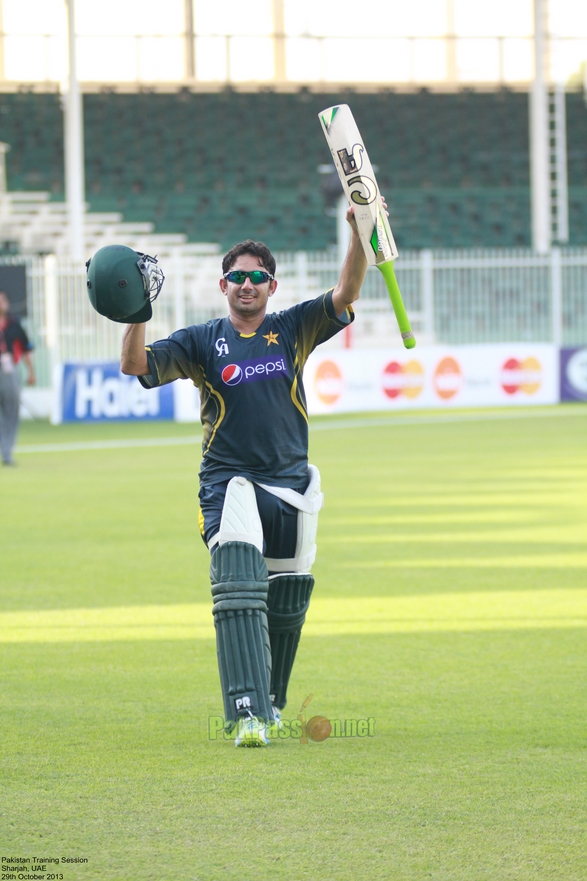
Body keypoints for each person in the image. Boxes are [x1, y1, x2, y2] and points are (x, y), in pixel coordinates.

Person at [120, 206, 369, 747]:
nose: (248, 284)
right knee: (237, 583)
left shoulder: (293, 327)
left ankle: (273, 705)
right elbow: (136, 365)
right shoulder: (202, 340)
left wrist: (357, 231)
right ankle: (246, 713)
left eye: (258, 276)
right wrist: (137, 310)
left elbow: (346, 292)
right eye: (238, 276)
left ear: (272, 285)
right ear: (223, 285)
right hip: (228, 480)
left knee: (288, 596)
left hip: (291, 480)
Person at [0, 291, 35, 466]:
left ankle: (6, 452)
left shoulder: (14, 324)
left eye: (3, 299)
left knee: (10, 412)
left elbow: (26, 348)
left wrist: (31, 372)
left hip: (8, 371)